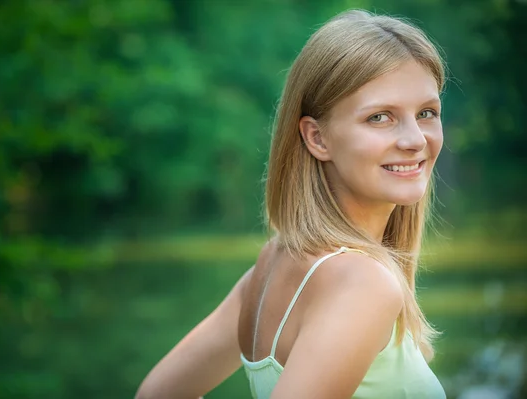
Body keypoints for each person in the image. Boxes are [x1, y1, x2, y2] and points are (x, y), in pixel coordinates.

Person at [136, 9, 447, 399]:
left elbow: (157, 394)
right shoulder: (364, 284)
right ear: (317, 138)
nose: (415, 139)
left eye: (426, 113)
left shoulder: (272, 263)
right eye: (380, 117)